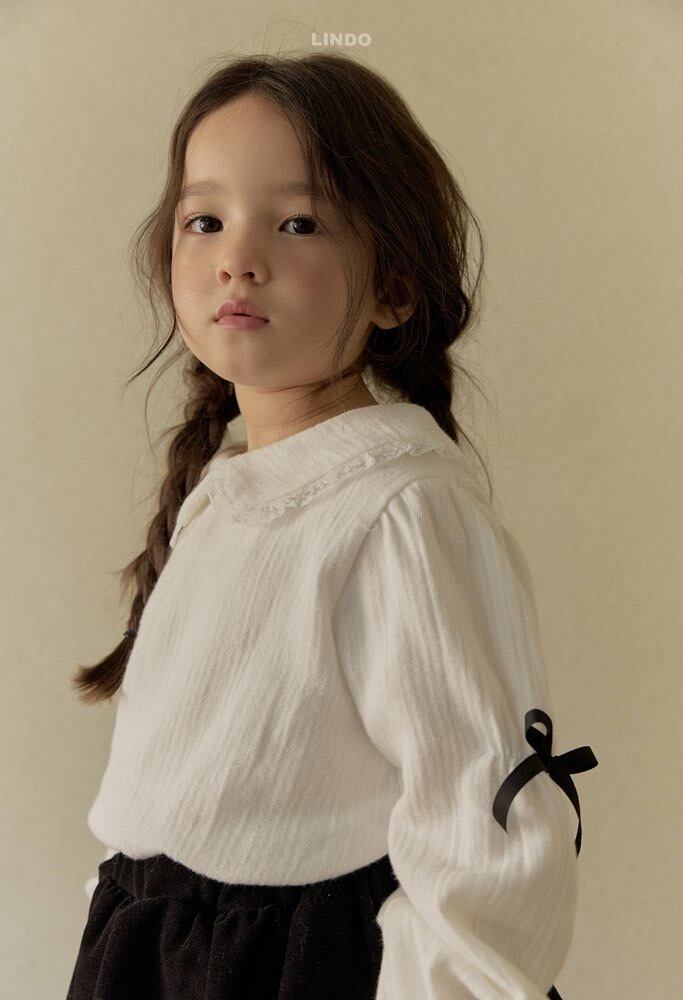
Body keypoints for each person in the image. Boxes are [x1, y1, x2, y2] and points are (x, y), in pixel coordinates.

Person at [67, 51, 598, 1000]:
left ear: (394, 286)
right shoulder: (225, 495)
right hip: (155, 955)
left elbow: (482, 833)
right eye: (204, 220)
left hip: (291, 968)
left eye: (298, 222)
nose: (237, 257)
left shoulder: (401, 511)